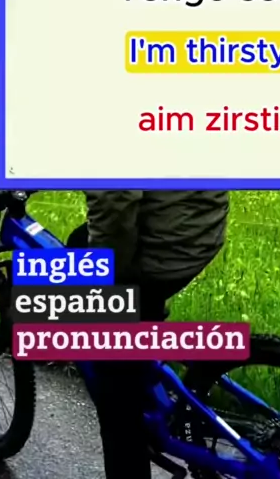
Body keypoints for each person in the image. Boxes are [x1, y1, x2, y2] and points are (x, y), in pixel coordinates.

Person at [67, 189, 229, 479]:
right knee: (78, 242)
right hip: (198, 223)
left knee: (117, 400)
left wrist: (112, 288)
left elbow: (116, 197)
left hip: (169, 245)